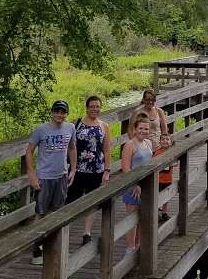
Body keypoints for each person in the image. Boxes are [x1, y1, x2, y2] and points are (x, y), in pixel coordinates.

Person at [25, 99, 76, 265]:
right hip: (44, 176)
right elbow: (29, 151)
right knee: (40, 212)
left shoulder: (70, 128)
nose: (59, 115)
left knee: (57, 211)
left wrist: (73, 169)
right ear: (52, 112)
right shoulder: (41, 129)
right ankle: (36, 247)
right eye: (57, 112)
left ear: (66, 114)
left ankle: (54, 246)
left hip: (61, 175)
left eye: (63, 112)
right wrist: (32, 174)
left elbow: (72, 148)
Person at [66, 95, 111, 247]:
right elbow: (69, 146)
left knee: (92, 202)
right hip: (77, 169)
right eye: (92, 106)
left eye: (97, 106)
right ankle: (64, 232)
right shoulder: (76, 124)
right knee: (70, 202)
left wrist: (107, 170)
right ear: (87, 108)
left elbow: (106, 149)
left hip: (96, 169)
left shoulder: (104, 126)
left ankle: (87, 233)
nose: (95, 109)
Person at [120, 113, 153, 254]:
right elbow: (126, 168)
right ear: (135, 129)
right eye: (141, 128)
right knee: (131, 220)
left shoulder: (148, 143)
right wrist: (134, 185)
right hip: (133, 186)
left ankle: (139, 245)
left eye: (146, 129)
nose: (143, 131)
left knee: (142, 218)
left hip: (146, 186)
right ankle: (130, 248)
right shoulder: (129, 145)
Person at [152, 132, 176, 223]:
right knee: (158, 197)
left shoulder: (172, 152)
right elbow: (154, 163)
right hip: (159, 179)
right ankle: (157, 214)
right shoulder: (158, 152)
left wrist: (172, 163)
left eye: (167, 139)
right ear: (160, 141)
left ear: (170, 142)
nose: (165, 141)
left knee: (166, 196)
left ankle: (164, 212)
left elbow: (176, 162)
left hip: (168, 178)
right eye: (163, 139)